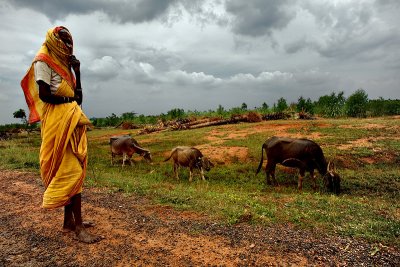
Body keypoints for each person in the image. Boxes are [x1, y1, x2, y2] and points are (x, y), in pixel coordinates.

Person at [21, 26, 102, 243]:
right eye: (64, 41)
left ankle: (69, 222)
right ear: (54, 40)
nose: (68, 45)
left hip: (72, 121)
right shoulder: (43, 62)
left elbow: (78, 98)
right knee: (72, 172)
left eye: (69, 41)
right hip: (57, 124)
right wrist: (69, 102)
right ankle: (78, 228)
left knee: (74, 169)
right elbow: (45, 95)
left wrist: (78, 72)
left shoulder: (65, 64)